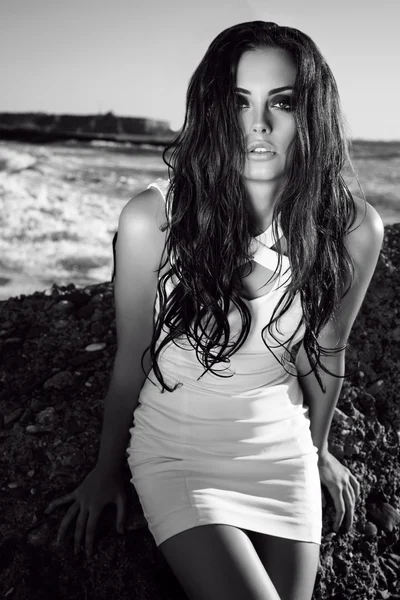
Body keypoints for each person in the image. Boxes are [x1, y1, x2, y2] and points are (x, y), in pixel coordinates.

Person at [45, 20, 384, 600]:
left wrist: (319, 450)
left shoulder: (353, 228)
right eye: (239, 102)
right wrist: (106, 470)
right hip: (179, 448)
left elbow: (326, 351)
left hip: (282, 451)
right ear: (213, 111)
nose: (258, 124)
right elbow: (134, 353)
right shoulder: (153, 219)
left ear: (313, 114)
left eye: (282, 102)